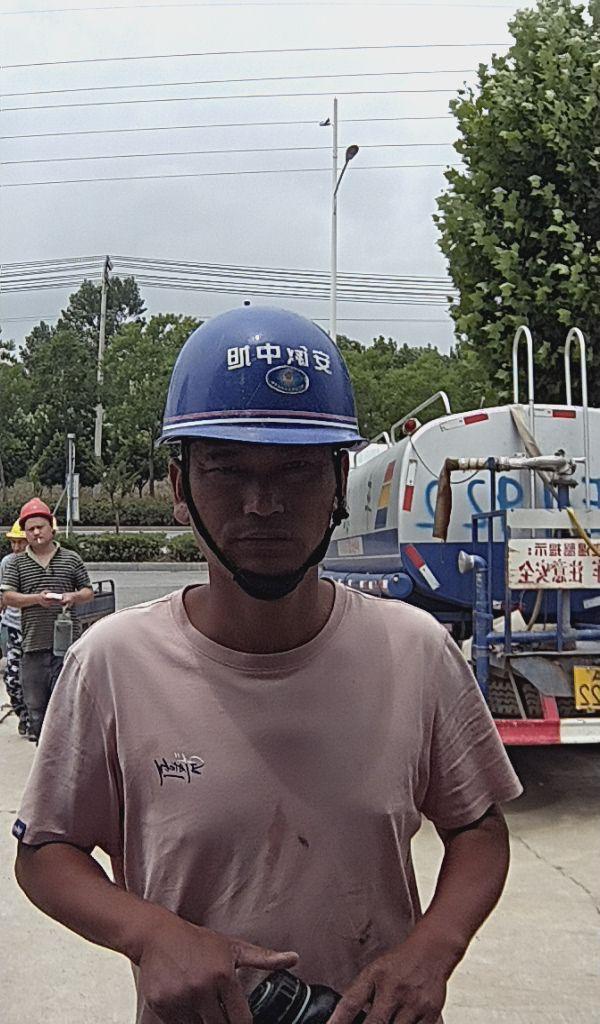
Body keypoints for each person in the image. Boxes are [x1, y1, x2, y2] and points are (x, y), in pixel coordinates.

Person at [13, 307, 522, 1024]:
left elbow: (478, 828)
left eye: (297, 469)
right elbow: (46, 850)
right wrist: (150, 934)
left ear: (338, 481)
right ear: (180, 486)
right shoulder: (113, 663)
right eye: (226, 470)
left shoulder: (414, 651)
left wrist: (433, 949)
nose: (263, 504)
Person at [1, 499, 93, 742]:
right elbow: (8, 597)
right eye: (30, 529)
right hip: (33, 644)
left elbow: (88, 591)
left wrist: (73, 596)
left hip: (67, 646)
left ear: (51, 528)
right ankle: (43, 751)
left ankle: (67, 752)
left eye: (40, 527)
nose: (35, 532)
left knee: (66, 705)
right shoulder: (16, 563)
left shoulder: (71, 559)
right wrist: (36, 599)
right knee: (36, 708)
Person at [0, 520, 29, 736]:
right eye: (14, 543)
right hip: (13, 628)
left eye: (21, 543)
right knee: (12, 678)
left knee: (38, 679)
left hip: (37, 629)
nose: (17, 548)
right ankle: (23, 715)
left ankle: (36, 719)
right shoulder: (7, 563)